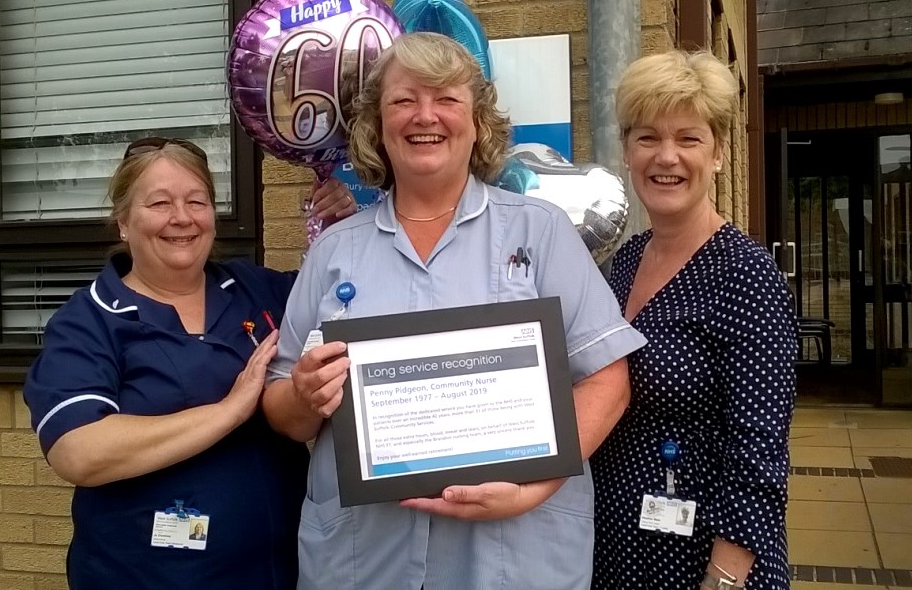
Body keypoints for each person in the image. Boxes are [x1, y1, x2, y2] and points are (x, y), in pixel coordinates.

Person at [260, 32, 647, 590]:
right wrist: (302, 394)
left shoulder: (539, 233)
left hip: (510, 556)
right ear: (376, 123)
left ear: (478, 122)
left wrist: (531, 488)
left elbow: (608, 379)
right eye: (403, 100)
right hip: (366, 559)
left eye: (447, 99)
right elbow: (282, 408)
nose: (426, 116)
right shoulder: (334, 251)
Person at [23, 137, 357, 589]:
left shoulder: (257, 291)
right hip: (145, 576)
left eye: (196, 201)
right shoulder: (92, 319)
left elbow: (352, 307)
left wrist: (345, 232)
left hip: (278, 571)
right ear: (123, 221)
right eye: (159, 203)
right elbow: (78, 451)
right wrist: (228, 411)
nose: (182, 218)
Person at [590, 51, 797, 590]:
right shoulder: (623, 261)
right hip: (618, 547)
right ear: (627, 152)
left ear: (720, 153)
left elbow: (761, 452)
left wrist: (723, 580)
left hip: (707, 559)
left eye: (688, 138)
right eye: (647, 138)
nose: (667, 157)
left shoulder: (747, 276)